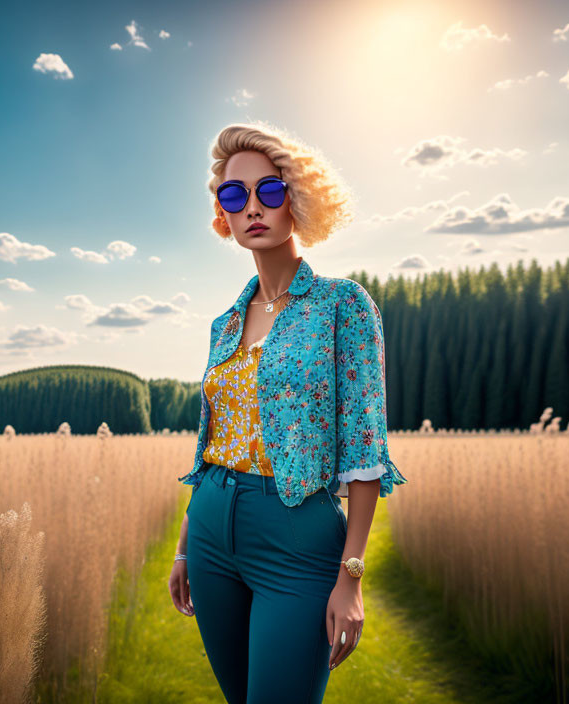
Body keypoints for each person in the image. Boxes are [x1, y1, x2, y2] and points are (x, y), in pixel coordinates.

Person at [167, 121, 408, 704]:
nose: (252, 207)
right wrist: (183, 544)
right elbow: (213, 441)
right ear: (223, 214)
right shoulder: (223, 323)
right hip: (210, 530)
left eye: (268, 191)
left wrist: (350, 577)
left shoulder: (342, 306)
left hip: (296, 535)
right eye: (234, 196)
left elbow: (364, 448)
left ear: (296, 197)